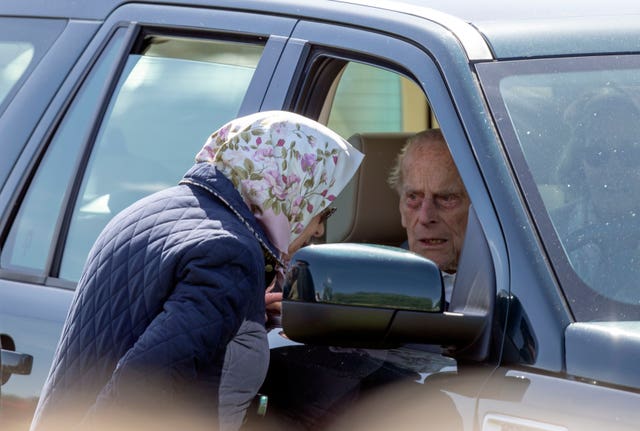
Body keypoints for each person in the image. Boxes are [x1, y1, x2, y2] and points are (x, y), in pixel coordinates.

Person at [30, 111, 363, 431]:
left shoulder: (146, 211)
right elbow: (143, 387)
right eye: (324, 210)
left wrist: (240, 307)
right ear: (290, 190)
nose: (318, 229)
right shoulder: (230, 252)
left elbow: (146, 322)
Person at [554, 87, 640, 303]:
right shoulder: (546, 234)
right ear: (579, 162)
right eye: (597, 154)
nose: (614, 169)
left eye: (630, 153)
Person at [387, 129, 470, 305]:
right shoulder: (381, 290)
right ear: (401, 209)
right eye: (413, 198)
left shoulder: (516, 280)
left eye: (447, 198)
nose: (425, 217)